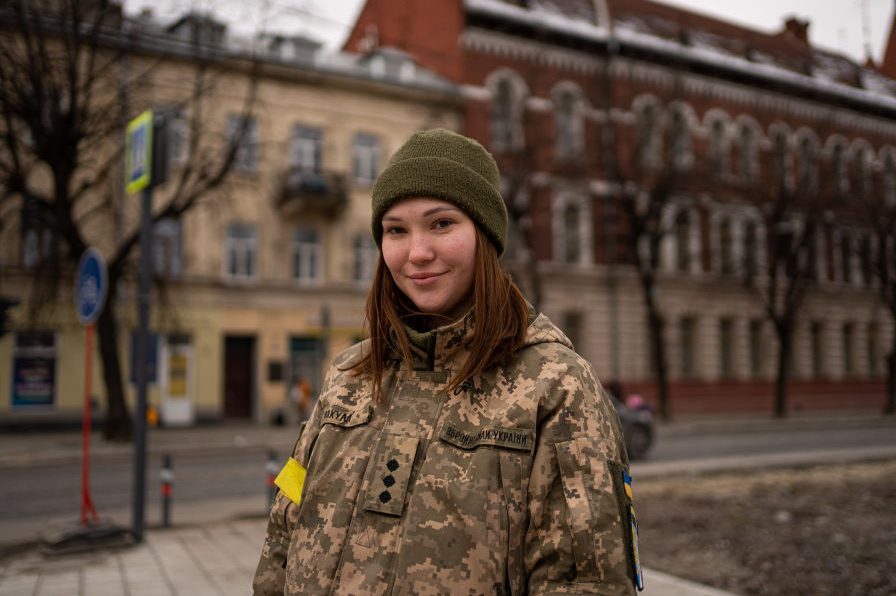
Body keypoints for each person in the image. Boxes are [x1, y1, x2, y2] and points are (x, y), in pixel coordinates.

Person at [253, 129, 642, 595]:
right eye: (396, 230)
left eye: (441, 224)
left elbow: (588, 581)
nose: (417, 253)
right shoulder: (349, 376)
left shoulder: (556, 386)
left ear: (485, 236)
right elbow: (285, 528)